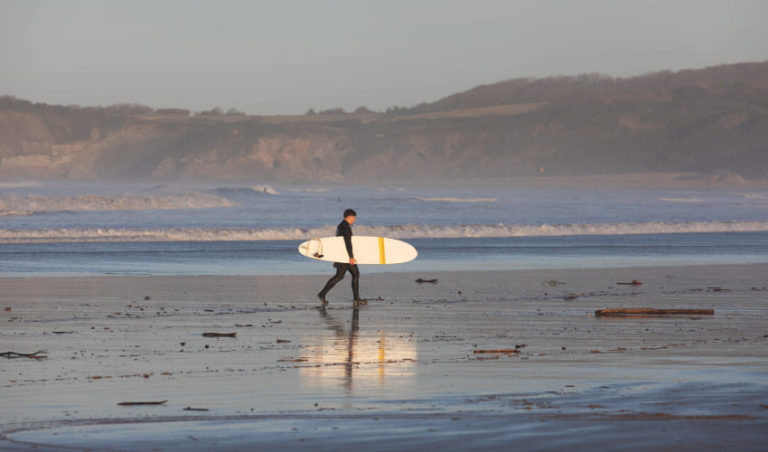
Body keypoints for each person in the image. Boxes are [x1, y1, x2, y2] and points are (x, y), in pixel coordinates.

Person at [318, 209, 366, 307]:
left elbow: (338, 243)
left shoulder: (340, 226)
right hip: (345, 256)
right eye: (353, 218)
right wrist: (351, 257)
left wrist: (336, 258)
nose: (354, 220)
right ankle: (356, 299)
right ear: (348, 217)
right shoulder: (345, 227)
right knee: (354, 274)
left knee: (341, 276)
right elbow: (348, 242)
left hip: (342, 255)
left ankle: (322, 294)